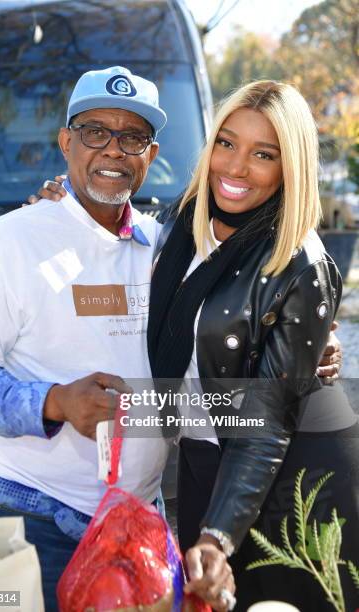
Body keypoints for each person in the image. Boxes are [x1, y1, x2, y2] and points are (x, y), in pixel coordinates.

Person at [0, 66, 234, 612]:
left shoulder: (164, 247)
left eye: (131, 137)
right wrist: (55, 401)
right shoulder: (5, 245)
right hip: (30, 513)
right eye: (95, 132)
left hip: (138, 518)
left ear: (150, 155)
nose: (113, 150)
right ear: (66, 142)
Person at [145, 80, 359, 611]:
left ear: (291, 168)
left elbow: (266, 423)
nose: (236, 168)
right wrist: (57, 206)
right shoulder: (181, 221)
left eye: (263, 154)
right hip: (206, 453)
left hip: (298, 474)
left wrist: (219, 535)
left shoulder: (299, 262)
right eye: (226, 143)